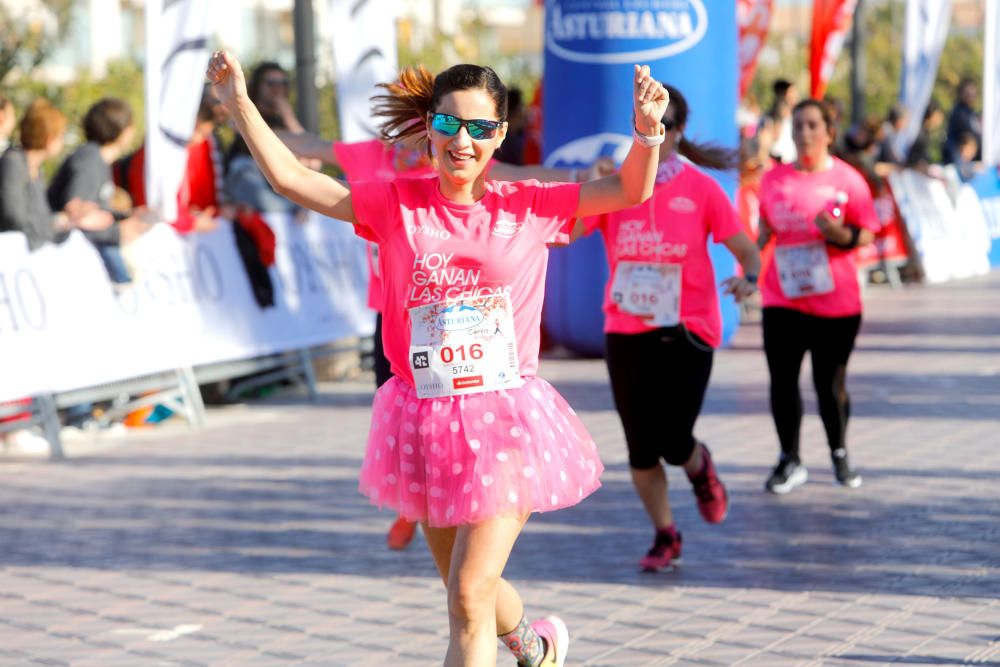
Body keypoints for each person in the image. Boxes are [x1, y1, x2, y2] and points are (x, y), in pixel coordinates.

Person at [208, 49, 668, 666]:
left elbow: (630, 190)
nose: (463, 140)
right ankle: (535, 643)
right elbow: (295, 179)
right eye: (450, 124)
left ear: (499, 135)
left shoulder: (529, 205)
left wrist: (647, 131)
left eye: (480, 128)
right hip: (422, 419)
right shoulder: (396, 202)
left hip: (504, 420)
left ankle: (521, 641)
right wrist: (240, 104)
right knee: (463, 585)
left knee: (468, 598)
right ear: (430, 127)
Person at [575, 85, 760, 571]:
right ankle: (665, 534)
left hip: (687, 328)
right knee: (640, 446)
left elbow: (746, 249)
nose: (655, 132)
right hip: (625, 329)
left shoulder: (702, 188)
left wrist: (750, 279)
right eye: (645, 125)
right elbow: (568, 231)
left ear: (676, 131)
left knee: (675, 439)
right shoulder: (616, 184)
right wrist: (587, 187)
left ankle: (700, 467)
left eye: (663, 125)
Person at [757, 99, 881, 494]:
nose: (804, 133)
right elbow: (762, 235)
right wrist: (744, 270)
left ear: (829, 131)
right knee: (782, 382)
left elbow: (867, 232)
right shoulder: (773, 180)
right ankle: (789, 459)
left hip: (835, 304)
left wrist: (838, 234)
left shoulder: (848, 180)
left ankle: (840, 453)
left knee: (830, 385)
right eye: (798, 125)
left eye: (812, 125)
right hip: (782, 299)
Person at [47, 97, 146, 283]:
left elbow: (94, 210)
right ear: (121, 129)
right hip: (70, 263)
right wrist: (117, 232)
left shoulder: (98, 159)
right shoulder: (89, 158)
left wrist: (125, 216)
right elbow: (75, 211)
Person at [0, 99, 112, 250]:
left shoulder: (34, 168)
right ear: (49, 139)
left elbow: (41, 216)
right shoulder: (13, 164)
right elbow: (13, 218)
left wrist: (70, 220)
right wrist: (60, 222)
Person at [943, 78, 981, 165]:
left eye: (973, 94)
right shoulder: (958, 112)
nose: (971, 96)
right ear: (961, 93)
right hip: (958, 159)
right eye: (968, 93)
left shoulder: (970, 112)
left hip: (970, 160)